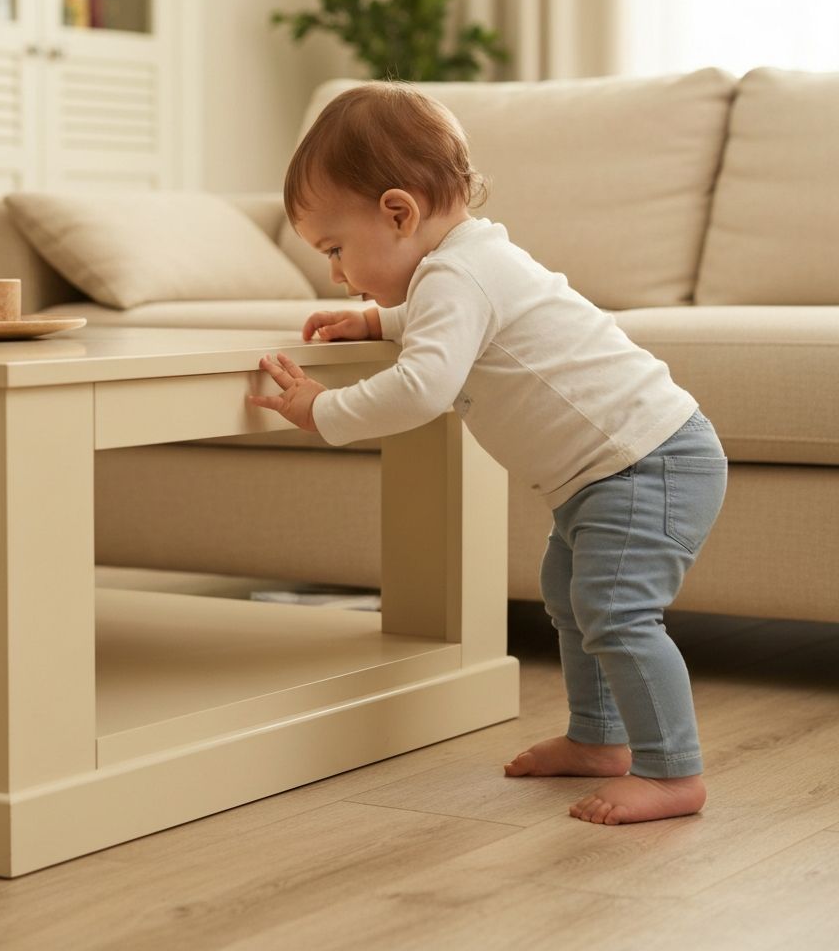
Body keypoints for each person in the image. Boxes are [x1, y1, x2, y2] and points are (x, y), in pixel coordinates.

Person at [247, 81, 728, 825]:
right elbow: (445, 321)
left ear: (399, 213)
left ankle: (672, 771)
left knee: (615, 611)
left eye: (337, 251)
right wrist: (380, 318)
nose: (336, 273)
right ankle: (599, 740)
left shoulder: (459, 274)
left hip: (647, 460)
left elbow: (422, 388)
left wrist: (322, 409)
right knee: (570, 598)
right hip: (612, 468)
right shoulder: (463, 266)